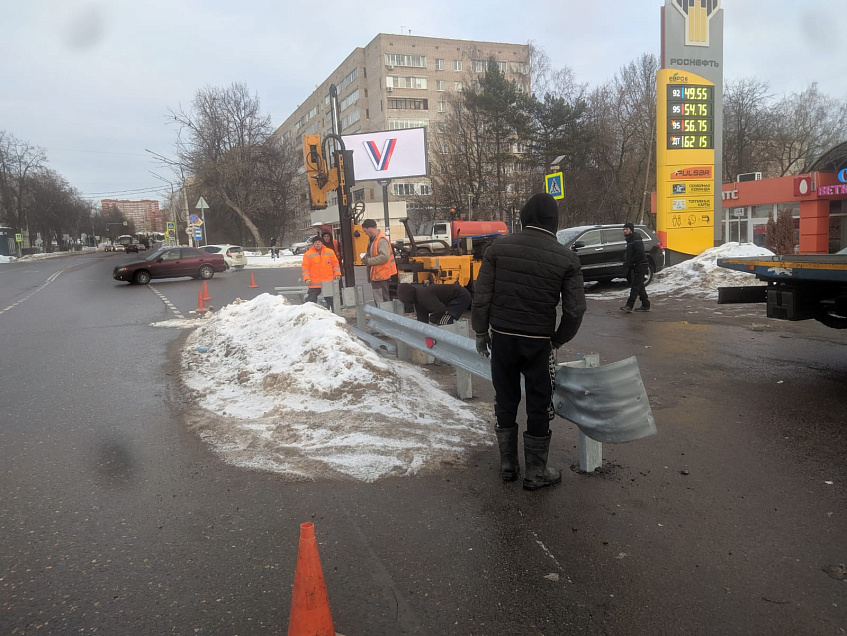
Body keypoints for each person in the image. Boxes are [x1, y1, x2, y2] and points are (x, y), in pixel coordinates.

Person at [472, 192, 586, 491]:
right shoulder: (566, 257)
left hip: (503, 339)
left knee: (505, 398)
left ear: (523, 218)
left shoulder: (498, 247)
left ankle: (508, 464)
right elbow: (575, 310)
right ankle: (536, 473)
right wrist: (557, 340)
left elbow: (481, 296)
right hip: (538, 342)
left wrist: (481, 332)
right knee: (539, 403)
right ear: (554, 221)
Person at [396, 282, 472, 325]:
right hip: (453, 299)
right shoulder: (418, 301)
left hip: (461, 296)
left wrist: (433, 317)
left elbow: (441, 309)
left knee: (444, 322)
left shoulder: (423, 297)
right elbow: (422, 322)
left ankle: (449, 347)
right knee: (440, 321)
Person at [360, 219, 397, 303]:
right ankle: (383, 314)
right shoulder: (373, 239)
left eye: (365, 231)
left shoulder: (381, 240)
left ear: (370, 228)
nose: (365, 233)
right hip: (377, 275)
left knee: (382, 301)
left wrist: (369, 261)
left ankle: (385, 315)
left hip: (381, 275)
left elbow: (384, 257)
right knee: (379, 299)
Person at [301, 235, 341, 310]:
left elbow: (335, 264)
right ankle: (310, 314)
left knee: (331, 301)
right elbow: (305, 268)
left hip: (327, 281)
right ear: (313, 244)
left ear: (322, 243)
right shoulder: (308, 254)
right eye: (315, 242)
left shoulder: (330, 252)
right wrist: (307, 279)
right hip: (314, 282)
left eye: (319, 242)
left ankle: (334, 314)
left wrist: (337, 274)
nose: (317, 244)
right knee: (311, 301)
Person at [620, 222, 650, 313]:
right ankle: (645, 304)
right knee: (640, 285)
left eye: (627, 229)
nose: (625, 231)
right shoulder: (630, 239)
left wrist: (632, 262)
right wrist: (628, 263)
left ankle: (629, 305)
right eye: (624, 229)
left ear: (631, 230)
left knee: (635, 286)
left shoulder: (636, 238)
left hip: (640, 264)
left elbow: (639, 252)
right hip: (636, 265)